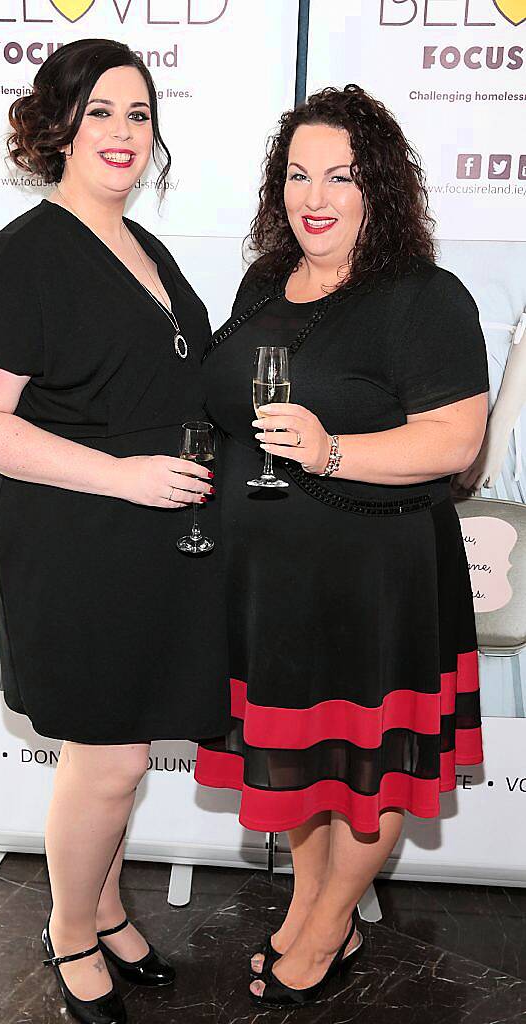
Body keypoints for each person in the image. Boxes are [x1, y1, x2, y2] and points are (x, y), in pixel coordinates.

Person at [0, 38, 228, 1024]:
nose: (122, 132)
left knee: (121, 750)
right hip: (76, 538)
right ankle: (68, 934)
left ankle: (104, 908)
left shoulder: (143, 247)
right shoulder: (24, 254)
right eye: (100, 110)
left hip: (150, 538)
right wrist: (121, 473)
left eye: (139, 113)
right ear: (56, 125)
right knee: (107, 757)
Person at [194, 84, 489, 1008]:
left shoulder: (423, 296)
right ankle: (319, 904)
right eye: (297, 174)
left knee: (367, 771)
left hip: (375, 578)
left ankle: (324, 929)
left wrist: (333, 450)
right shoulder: (260, 284)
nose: (313, 195)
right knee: (312, 769)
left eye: (341, 176)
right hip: (266, 582)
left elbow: (453, 440)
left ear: (381, 189)